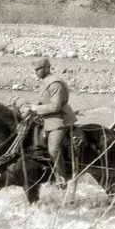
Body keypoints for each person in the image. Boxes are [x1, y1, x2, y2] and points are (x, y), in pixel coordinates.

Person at [29, 58, 77, 189]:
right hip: (47, 119)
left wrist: (37, 109)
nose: (36, 73)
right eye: (35, 70)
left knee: (53, 149)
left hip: (59, 120)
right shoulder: (45, 82)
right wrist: (34, 105)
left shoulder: (55, 84)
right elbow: (44, 99)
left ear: (46, 68)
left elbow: (55, 106)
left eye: (38, 70)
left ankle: (62, 178)